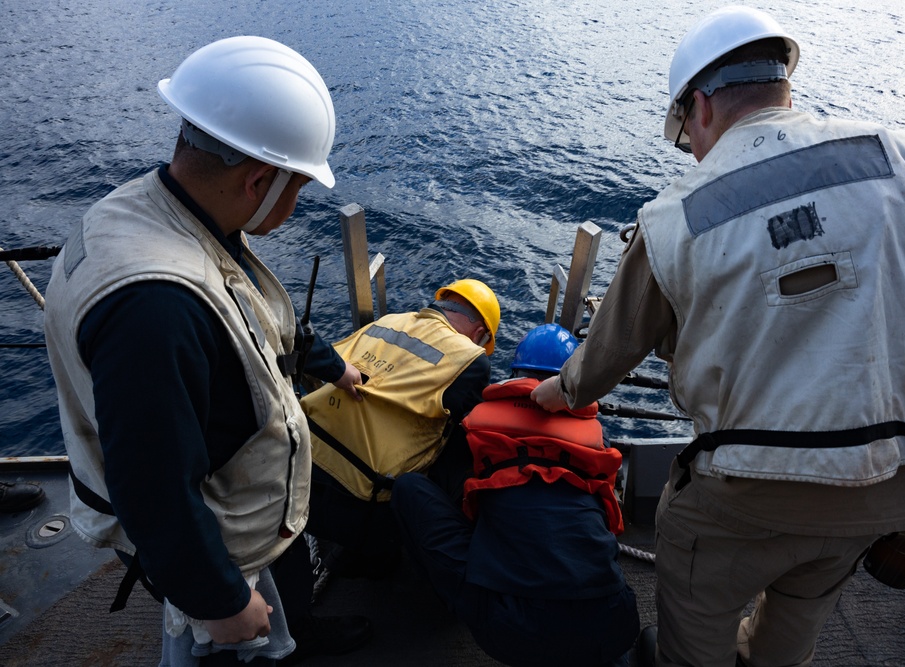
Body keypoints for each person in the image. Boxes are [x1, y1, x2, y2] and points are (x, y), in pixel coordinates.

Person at [531, 6, 905, 667]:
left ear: (700, 107)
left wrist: (554, 391)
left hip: (742, 494)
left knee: (693, 622)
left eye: (684, 134)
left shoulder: (675, 215)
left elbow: (604, 357)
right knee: (799, 615)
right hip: (893, 483)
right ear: (784, 86)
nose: (692, 151)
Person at [43, 36, 371, 666]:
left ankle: (295, 629)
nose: (295, 205)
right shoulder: (154, 309)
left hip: (246, 519)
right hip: (220, 546)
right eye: (296, 188)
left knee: (287, 599)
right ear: (257, 180)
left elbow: (254, 322)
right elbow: (153, 488)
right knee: (232, 649)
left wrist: (334, 367)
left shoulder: (157, 209)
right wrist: (219, 600)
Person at [391, 324, 639, 667]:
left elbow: (459, 498)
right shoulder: (597, 441)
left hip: (512, 631)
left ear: (516, 374)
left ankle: (442, 606)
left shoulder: (475, 427)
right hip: (614, 620)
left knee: (409, 488)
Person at [300, 279, 498, 576]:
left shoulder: (389, 321)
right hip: (360, 501)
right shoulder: (470, 359)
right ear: (480, 334)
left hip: (301, 466)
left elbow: (323, 365)